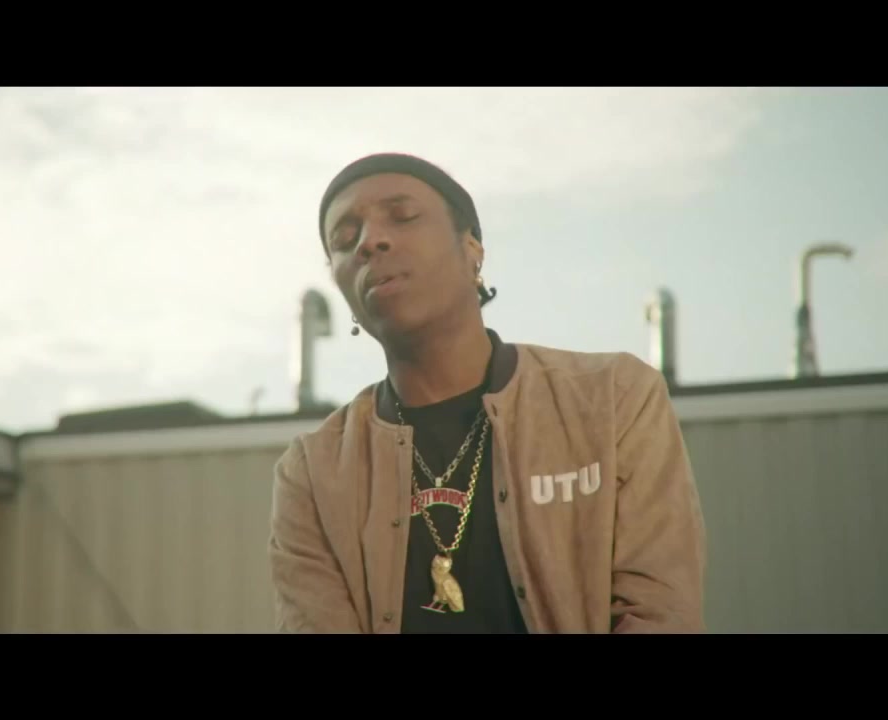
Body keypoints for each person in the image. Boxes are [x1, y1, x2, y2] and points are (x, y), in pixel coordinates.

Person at [267, 152, 706, 633]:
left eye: (403, 215)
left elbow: (660, 613)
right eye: (345, 239)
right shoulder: (314, 472)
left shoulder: (613, 398)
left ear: (472, 248)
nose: (370, 241)